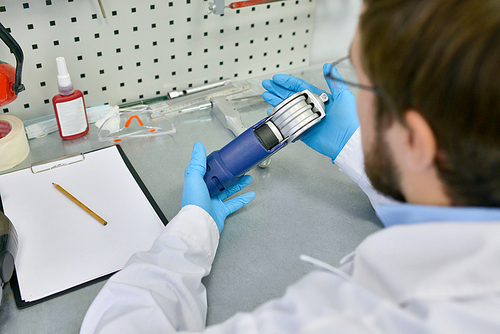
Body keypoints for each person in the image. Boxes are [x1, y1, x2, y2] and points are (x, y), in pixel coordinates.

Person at [80, 0, 500, 332]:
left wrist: (185, 238)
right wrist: (357, 145)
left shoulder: (367, 317)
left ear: (417, 143)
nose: (346, 96)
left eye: (360, 80)